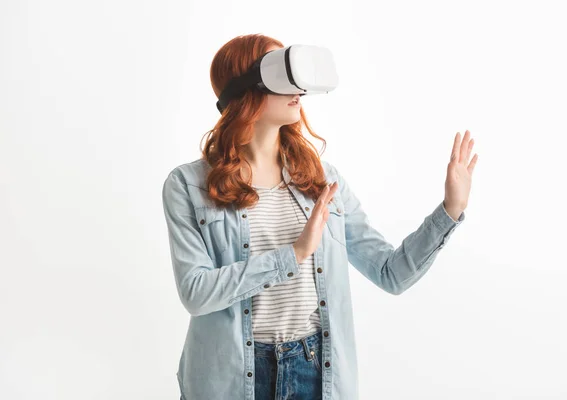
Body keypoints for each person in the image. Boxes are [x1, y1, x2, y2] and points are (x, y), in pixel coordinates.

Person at [162, 33, 477, 400]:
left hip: (313, 372)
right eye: (281, 74)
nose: (299, 88)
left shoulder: (322, 180)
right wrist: (293, 254)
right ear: (245, 90)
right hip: (229, 379)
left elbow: (391, 273)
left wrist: (450, 210)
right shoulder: (189, 185)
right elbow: (196, 293)